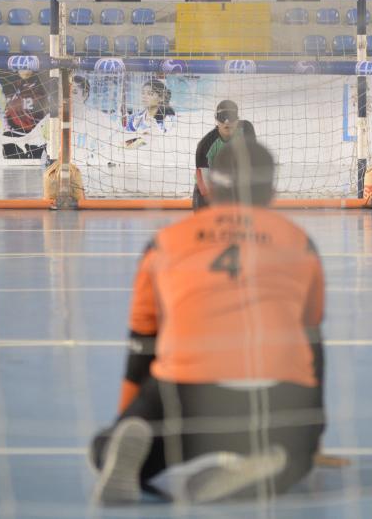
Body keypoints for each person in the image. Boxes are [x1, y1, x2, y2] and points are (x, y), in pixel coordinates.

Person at [91, 139, 325, 505]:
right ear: (273, 192)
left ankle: (126, 445)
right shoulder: (299, 242)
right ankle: (271, 459)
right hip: (275, 390)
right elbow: (312, 342)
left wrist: (125, 417)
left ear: (207, 187)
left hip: (187, 389)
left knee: (105, 448)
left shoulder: (165, 242)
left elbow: (142, 343)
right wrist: (313, 430)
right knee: (295, 457)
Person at [193, 99, 256, 210]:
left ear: (237, 119)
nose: (227, 122)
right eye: (222, 117)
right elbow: (203, 179)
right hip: (213, 183)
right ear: (216, 119)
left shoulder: (246, 130)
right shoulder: (205, 146)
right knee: (203, 207)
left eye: (230, 117)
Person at [0, 69, 54, 159]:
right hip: (13, 132)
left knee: (35, 165)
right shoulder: (10, 81)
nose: (25, 69)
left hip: (36, 134)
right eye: (22, 66)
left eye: (27, 66)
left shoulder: (43, 80)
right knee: (14, 166)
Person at [121, 79, 176, 148]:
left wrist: (127, 144)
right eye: (143, 93)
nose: (144, 96)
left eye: (150, 94)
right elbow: (124, 132)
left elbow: (157, 141)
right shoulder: (137, 117)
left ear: (161, 98)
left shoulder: (169, 119)